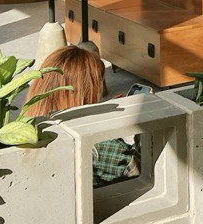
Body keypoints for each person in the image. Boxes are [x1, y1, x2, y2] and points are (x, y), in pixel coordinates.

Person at [25, 45, 140, 186]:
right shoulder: (100, 146)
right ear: (85, 93)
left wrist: (97, 112)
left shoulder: (24, 130)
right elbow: (141, 172)